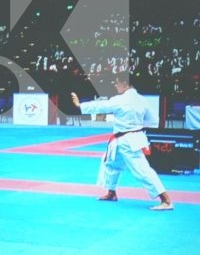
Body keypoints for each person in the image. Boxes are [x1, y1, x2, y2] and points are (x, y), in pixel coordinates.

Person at [70, 74, 175, 210]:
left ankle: (166, 200)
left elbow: (101, 106)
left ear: (125, 83)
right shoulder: (142, 100)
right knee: (110, 163)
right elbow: (153, 121)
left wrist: (80, 106)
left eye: (117, 83)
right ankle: (111, 193)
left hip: (126, 140)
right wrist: (136, 125)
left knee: (142, 170)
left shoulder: (120, 100)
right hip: (127, 138)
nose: (115, 85)